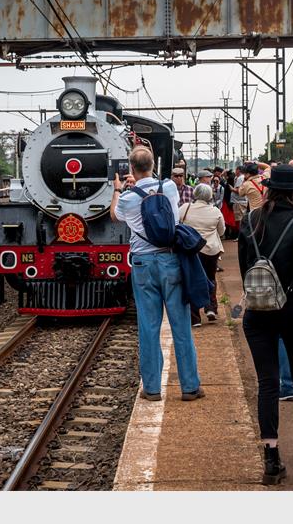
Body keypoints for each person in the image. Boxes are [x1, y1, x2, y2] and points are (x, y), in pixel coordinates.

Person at [238, 165, 293, 485]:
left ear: (269, 189)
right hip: (292, 308)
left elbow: (247, 267)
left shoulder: (251, 221)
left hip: (258, 312)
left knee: (268, 383)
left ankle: (272, 459)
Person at [110, 146, 204, 402]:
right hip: (171, 260)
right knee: (181, 325)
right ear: (154, 165)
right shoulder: (170, 188)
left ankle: (151, 388)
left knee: (149, 327)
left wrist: (119, 188)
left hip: (143, 265)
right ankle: (190, 387)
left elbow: (114, 215)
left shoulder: (128, 198)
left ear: (131, 169)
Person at [180, 183, 225, 326]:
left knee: (191, 280)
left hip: (192, 249)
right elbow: (222, 231)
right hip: (211, 250)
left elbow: (177, 223)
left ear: (195, 194)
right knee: (210, 277)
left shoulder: (185, 208)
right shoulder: (215, 211)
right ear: (210, 196)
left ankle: (195, 318)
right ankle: (210, 308)